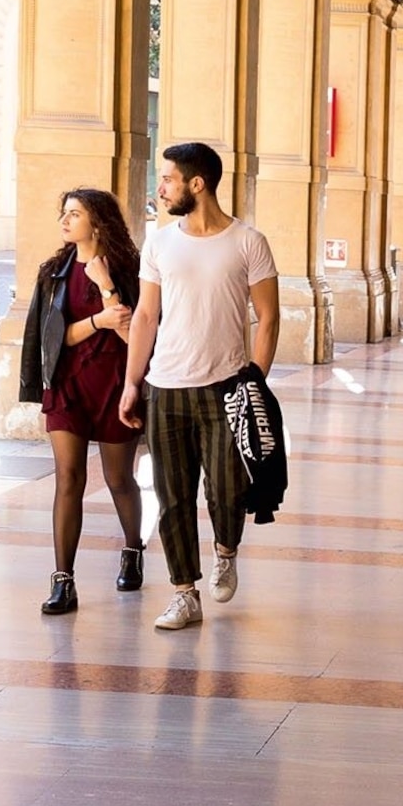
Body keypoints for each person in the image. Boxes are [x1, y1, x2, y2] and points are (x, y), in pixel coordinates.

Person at [119, 141, 279, 634]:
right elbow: (146, 314)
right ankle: (184, 593)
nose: (160, 187)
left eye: (167, 179)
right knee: (172, 497)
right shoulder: (160, 243)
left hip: (228, 386)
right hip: (165, 387)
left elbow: (269, 318)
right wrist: (131, 382)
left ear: (197, 183)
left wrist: (255, 380)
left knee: (229, 492)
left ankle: (226, 551)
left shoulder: (248, 242)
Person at [19, 187, 146, 616]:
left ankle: (132, 549)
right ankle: (63, 581)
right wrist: (99, 321)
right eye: (64, 213)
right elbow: (53, 341)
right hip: (67, 385)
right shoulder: (53, 271)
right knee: (68, 478)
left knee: (118, 479)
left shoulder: (130, 270)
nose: (65, 220)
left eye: (75, 214)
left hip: (114, 383)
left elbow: (134, 337)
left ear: (98, 222)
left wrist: (107, 286)